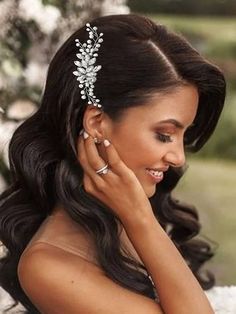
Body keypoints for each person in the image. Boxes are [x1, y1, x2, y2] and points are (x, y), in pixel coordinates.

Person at [0, 13, 225, 313]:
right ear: (96, 122)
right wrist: (140, 220)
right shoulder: (47, 266)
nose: (178, 157)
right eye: (164, 134)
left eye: (183, 135)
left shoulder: (119, 213)